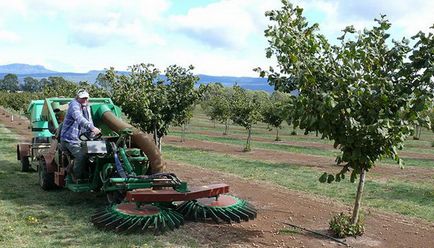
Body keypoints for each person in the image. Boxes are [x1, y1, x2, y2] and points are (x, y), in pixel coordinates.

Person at [60, 89, 101, 180]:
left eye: (86, 98)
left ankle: (94, 177)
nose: (84, 100)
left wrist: (93, 133)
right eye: (82, 98)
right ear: (77, 98)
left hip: (81, 139)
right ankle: (76, 176)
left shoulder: (86, 106)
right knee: (81, 156)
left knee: (100, 152)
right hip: (69, 139)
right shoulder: (74, 105)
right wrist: (92, 128)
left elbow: (89, 120)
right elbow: (79, 118)